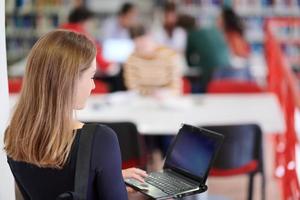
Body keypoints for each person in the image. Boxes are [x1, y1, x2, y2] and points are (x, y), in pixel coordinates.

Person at [4, 30, 147, 200]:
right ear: (69, 81)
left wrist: (111, 179)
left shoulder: (14, 136)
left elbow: (55, 184)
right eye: (91, 76)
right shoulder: (100, 139)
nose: (93, 86)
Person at [124, 25, 182, 96]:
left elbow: (176, 88)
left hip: (166, 99)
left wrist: (166, 93)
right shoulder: (132, 60)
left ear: (150, 36)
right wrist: (150, 94)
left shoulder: (169, 56)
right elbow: (132, 87)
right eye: (137, 44)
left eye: (143, 41)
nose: (141, 46)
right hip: (141, 100)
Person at [179, 15, 231, 92]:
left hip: (211, 69)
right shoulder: (212, 30)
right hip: (227, 65)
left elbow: (188, 56)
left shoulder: (192, 35)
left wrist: (192, 65)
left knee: (204, 89)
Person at [60, 6, 116, 74]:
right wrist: (110, 64)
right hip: (77, 76)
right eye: (90, 22)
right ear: (83, 21)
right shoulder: (82, 36)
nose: (90, 25)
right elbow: (95, 55)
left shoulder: (60, 31)